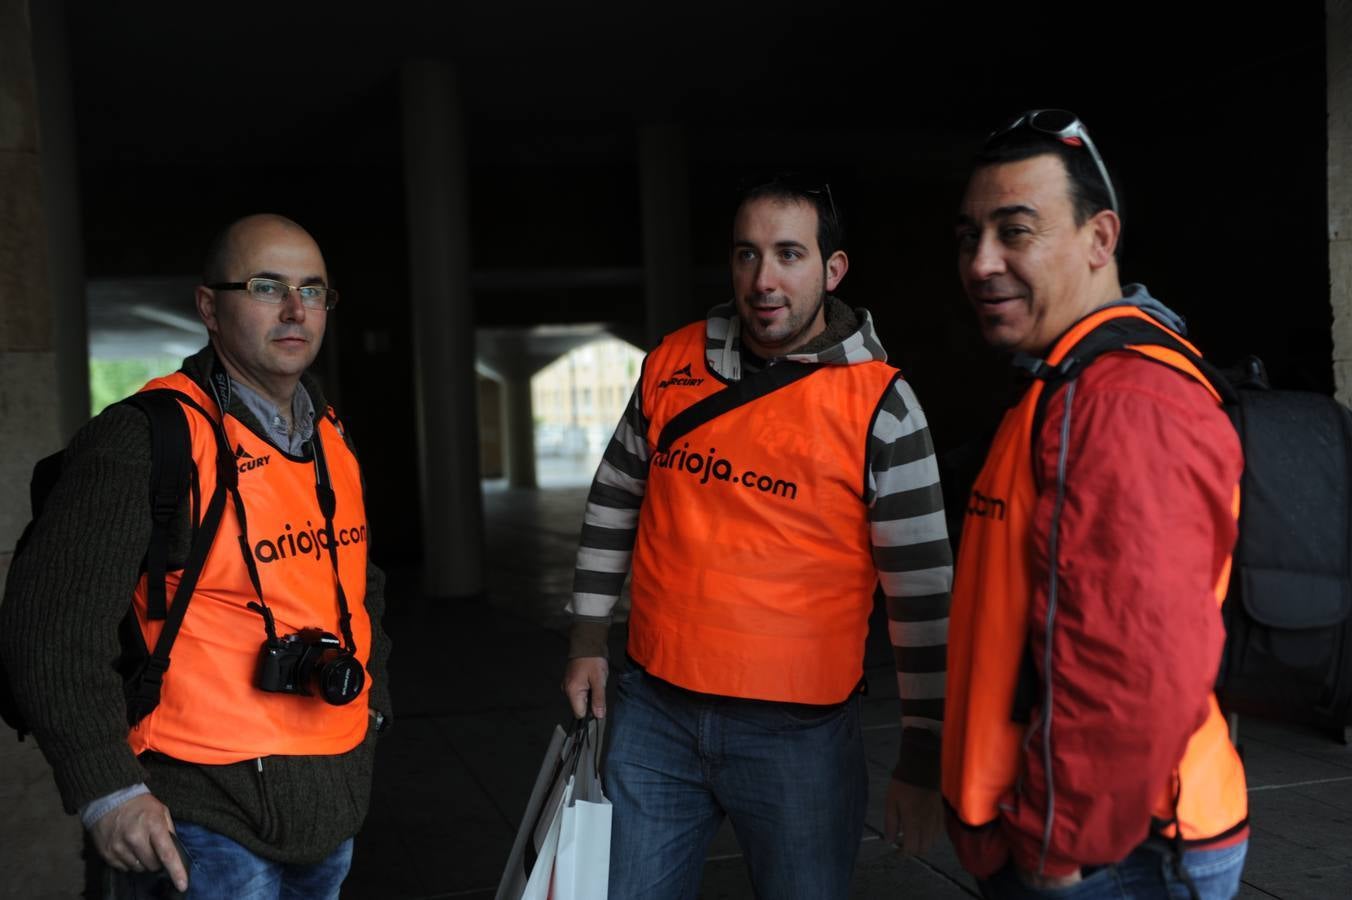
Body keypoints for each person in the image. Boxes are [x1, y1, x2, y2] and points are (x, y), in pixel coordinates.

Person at [561, 178, 953, 898]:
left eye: (789, 254)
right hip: (654, 719)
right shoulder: (669, 364)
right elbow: (613, 500)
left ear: (832, 271)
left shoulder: (882, 404)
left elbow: (923, 594)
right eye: (747, 254)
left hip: (797, 740)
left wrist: (923, 751)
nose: (764, 280)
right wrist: (588, 638)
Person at [0, 214, 392, 899]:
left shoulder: (332, 437)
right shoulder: (145, 440)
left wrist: (374, 713)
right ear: (209, 306)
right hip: (198, 820)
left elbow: (364, 589)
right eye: (267, 286)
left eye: (314, 289)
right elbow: (49, 627)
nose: (297, 309)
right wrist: (107, 789)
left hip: (331, 805)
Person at [944, 110, 1248, 898]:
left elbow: (1133, 660)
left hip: (1114, 854)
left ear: (1099, 239)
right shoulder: (1065, 385)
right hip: (1087, 840)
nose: (982, 263)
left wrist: (1058, 849)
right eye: (969, 235)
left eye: (1016, 230)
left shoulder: (1123, 401)